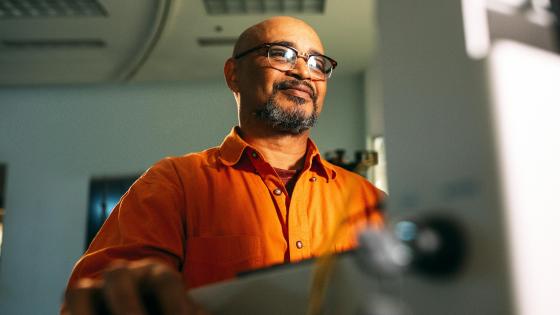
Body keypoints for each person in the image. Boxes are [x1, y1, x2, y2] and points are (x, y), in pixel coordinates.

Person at [63, 16, 384, 315]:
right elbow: (95, 300)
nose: (302, 72)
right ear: (234, 74)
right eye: (282, 54)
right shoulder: (173, 184)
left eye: (317, 63)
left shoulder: (368, 200)